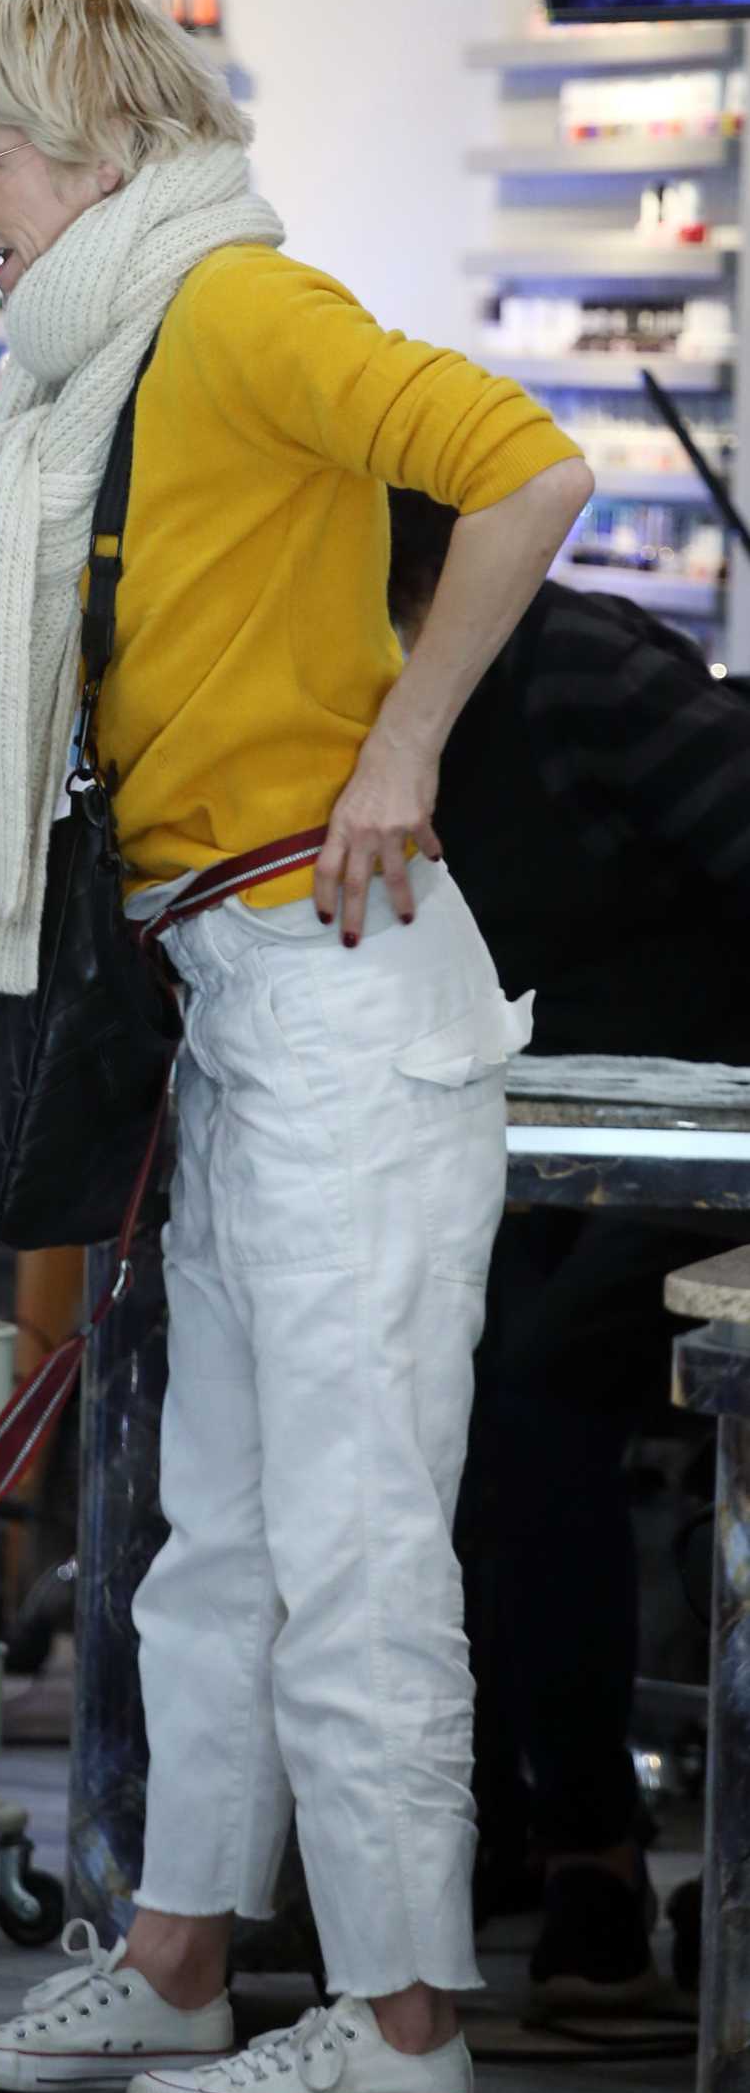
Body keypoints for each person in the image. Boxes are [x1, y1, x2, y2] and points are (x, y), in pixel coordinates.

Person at [0, 0, 591, 2093]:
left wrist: (401, 752)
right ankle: (178, 1961)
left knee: (347, 1535)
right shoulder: (122, 361)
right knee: (218, 1531)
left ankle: (409, 2028)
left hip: (341, 978)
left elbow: (525, 472)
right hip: (237, 983)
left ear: (77, 142)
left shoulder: (239, 309)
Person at [389, 489, 750, 2014]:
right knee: (426, 1383)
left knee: (532, 1399)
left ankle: (597, 1849)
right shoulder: (381, 709)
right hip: (534, 1139)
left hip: (708, 1131)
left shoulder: (591, 676)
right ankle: (482, 1823)